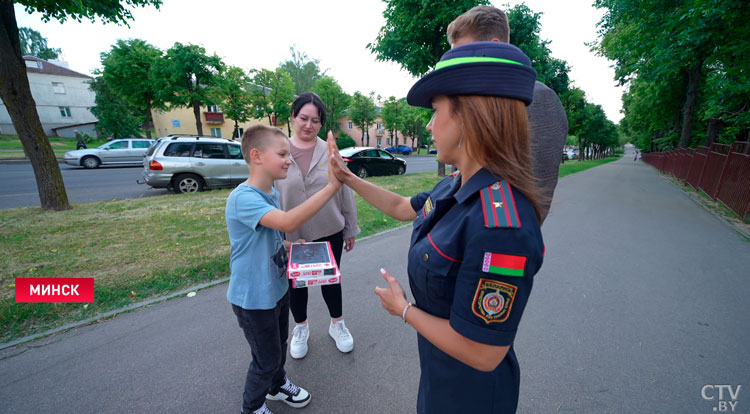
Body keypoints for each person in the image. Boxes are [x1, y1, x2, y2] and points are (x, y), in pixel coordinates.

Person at [328, 42, 544, 413]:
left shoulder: (502, 227)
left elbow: (484, 352)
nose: (428, 125)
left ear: (469, 117)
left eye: (435, 111)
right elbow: (401, 207)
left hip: (472, 398)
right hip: (440, 376)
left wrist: (404, 310)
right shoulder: (454, 185)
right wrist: (347, 178)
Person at [225, 124, 342, 414]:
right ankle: (252, 407)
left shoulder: (271, 194)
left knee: (279, 344)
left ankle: (276, 386)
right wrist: (331, 186)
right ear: (257, 156)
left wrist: (288, 246)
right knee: (265, 358)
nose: (288, 159)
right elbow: (287, 222)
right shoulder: (243, 198)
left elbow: (272, 233)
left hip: (276, 289)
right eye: (282, 154)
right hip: (253, 299)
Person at [447, 5, 568, 223]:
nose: (460, 65)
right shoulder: (485, 98)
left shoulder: (536, 98)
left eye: (465, 53)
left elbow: (532, 190)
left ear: (495, 46)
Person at [275, 92, 360, 359]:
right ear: (293, 117)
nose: (309, 125)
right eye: (303, 118)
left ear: (322, 124)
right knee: (296, 285)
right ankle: (301, 328)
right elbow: (268, 192)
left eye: (315, 120)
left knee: (330, 281)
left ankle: (337, 325)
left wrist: (350, 227)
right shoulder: (277, 151)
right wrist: (274, 234)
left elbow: (344, 190)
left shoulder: (330, 151)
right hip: (292, 234)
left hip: (329, 229)